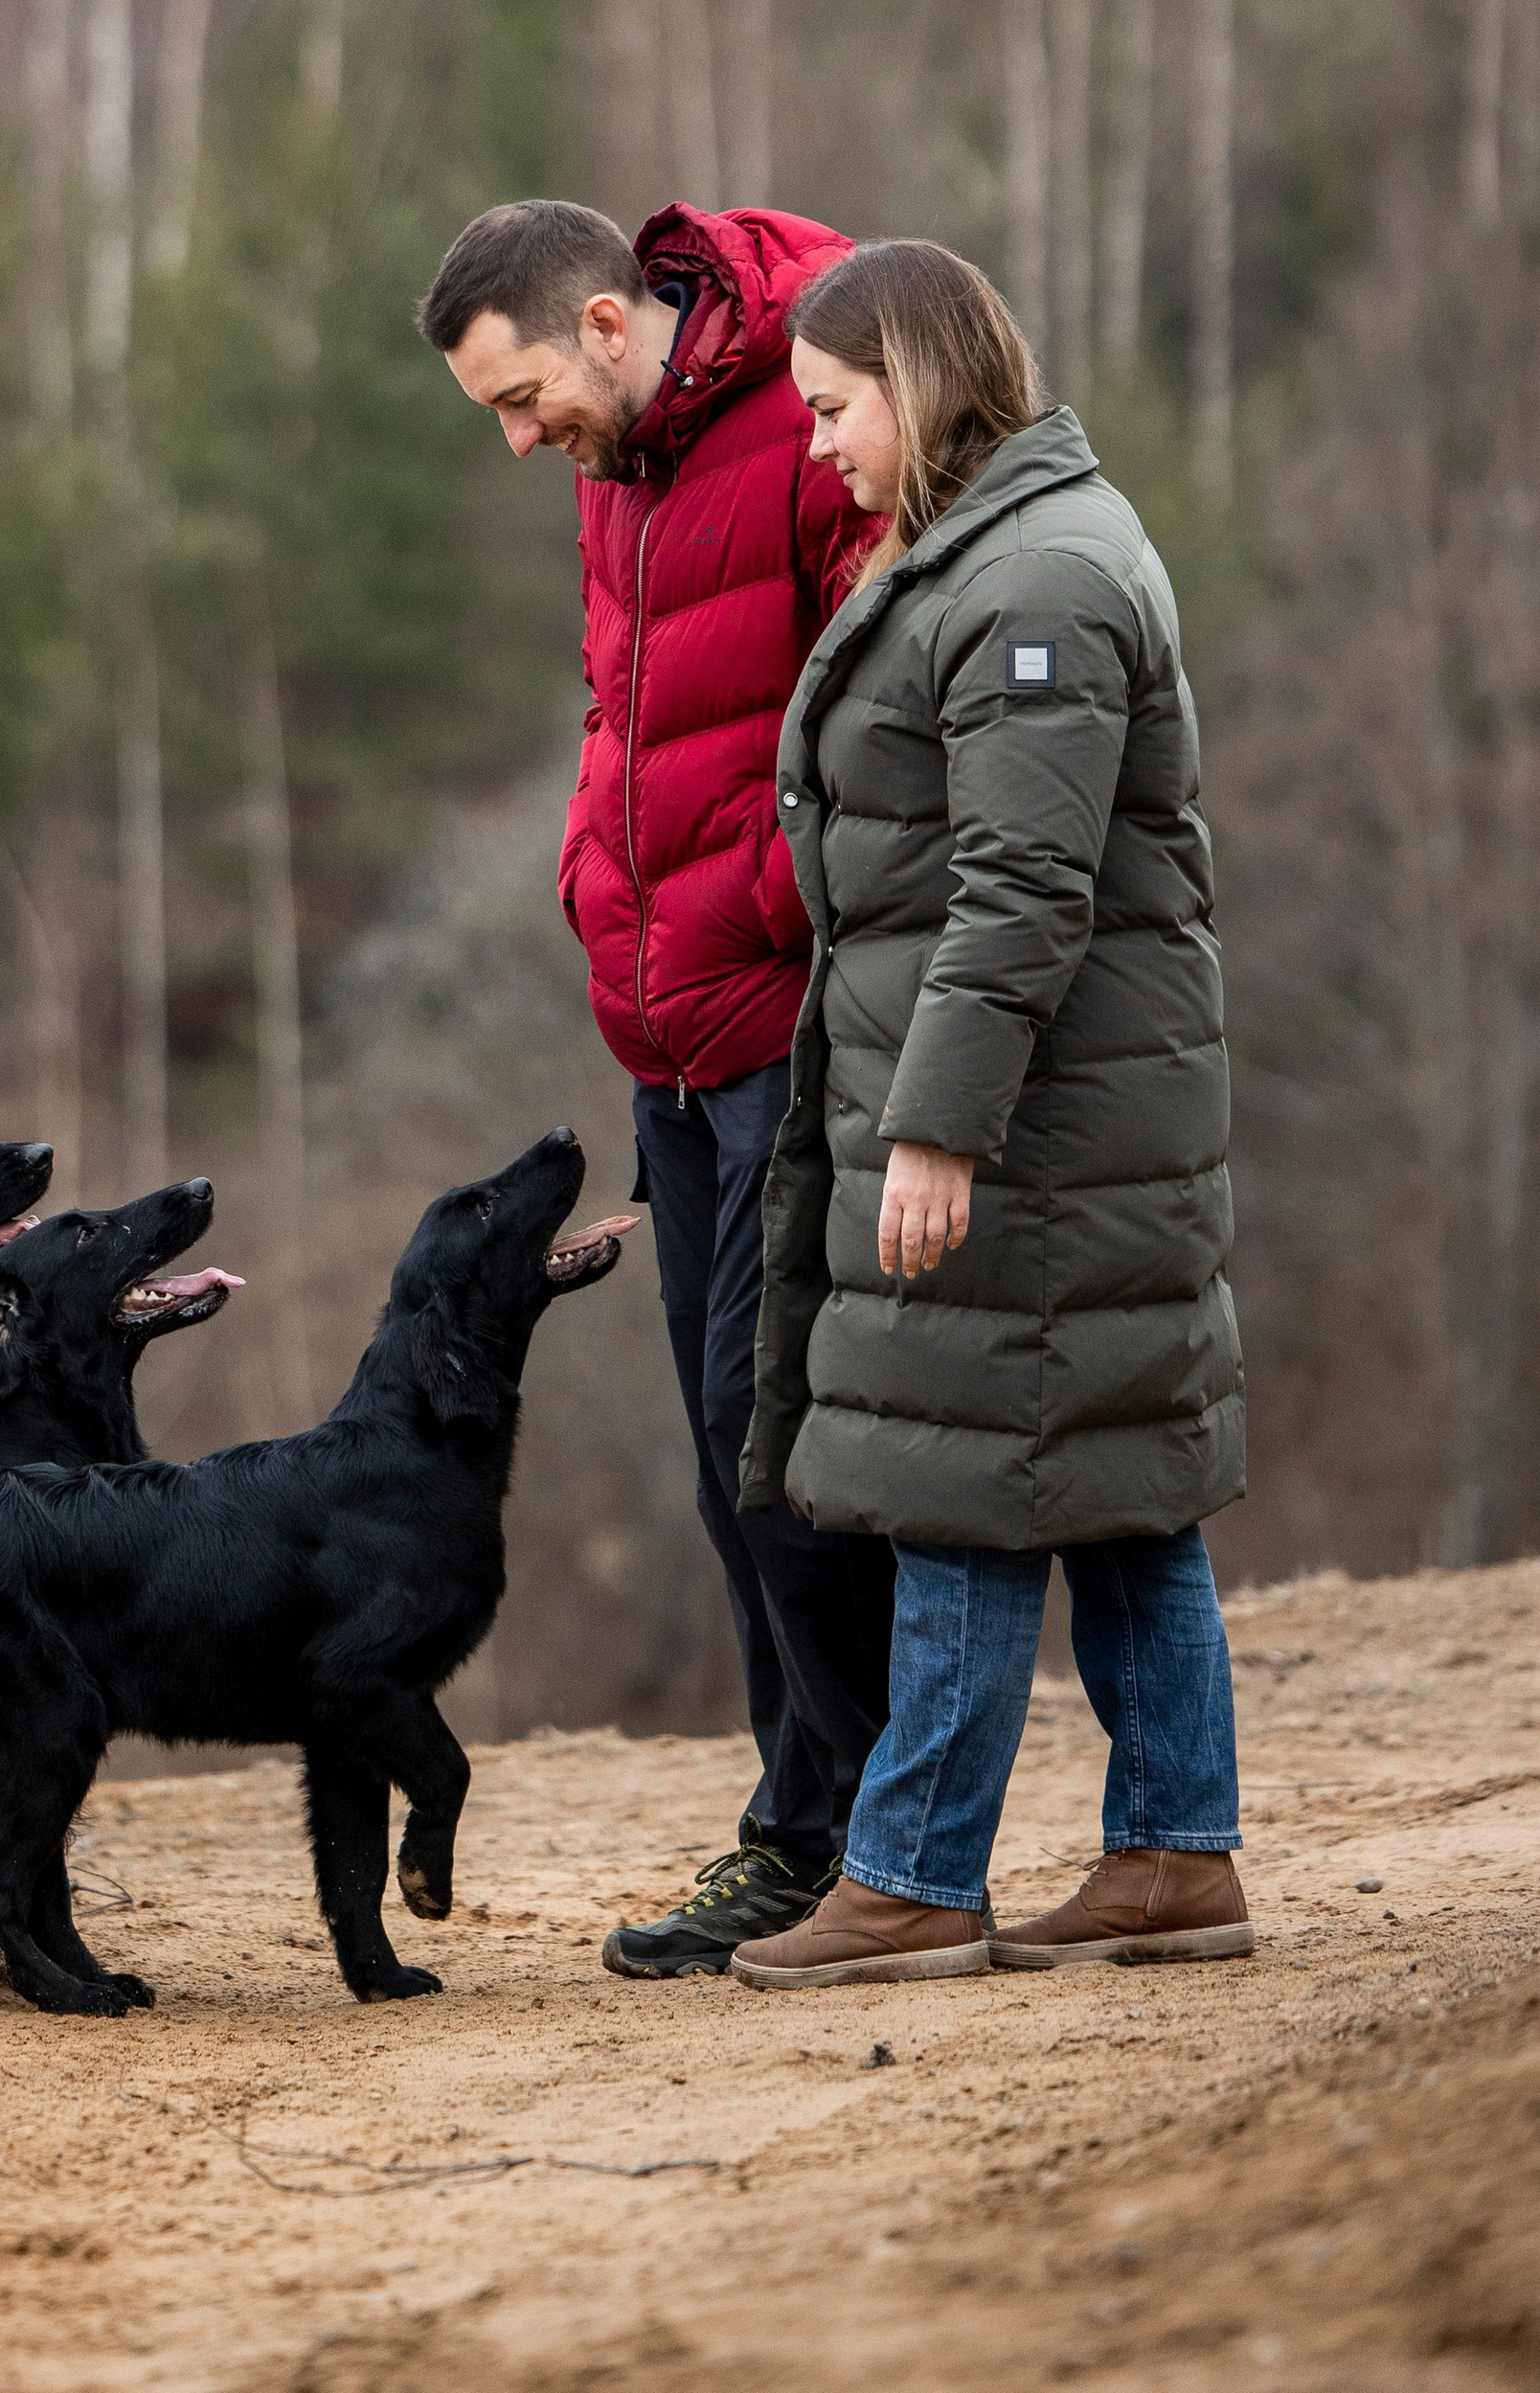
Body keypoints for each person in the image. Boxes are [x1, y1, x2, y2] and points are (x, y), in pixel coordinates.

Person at [728, 238, 1251, 1989]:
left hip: (1029, 1120)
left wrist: (938, 1129)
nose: (819, 448)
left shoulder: (1035, 583)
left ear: (920, 382)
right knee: (1112, 1484)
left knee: (960, 1470)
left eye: (831, 409)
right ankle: (1176, 1858)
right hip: (1056, 1104)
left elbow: (1022, 889)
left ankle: (915, 1874)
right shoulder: (993, 548)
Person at [419, 195, 895, 1973]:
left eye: (524, 394)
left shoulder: (813, 421)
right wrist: (595, 891)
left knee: (787, 1450)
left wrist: (762, 907)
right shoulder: (613, 466)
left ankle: (860, 1846)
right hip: (670, 1044)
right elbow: (625, 721)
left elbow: (875, 717)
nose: (521, 435)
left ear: (612, 325)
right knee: (724, 1455)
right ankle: (817, 1828)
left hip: (787, 1023)